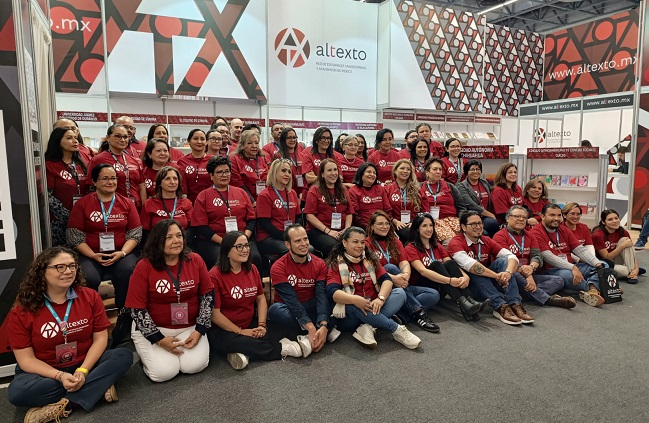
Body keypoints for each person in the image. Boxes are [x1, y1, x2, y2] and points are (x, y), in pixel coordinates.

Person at [7, 247, 132, 421]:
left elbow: (100, 338)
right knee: (18, 392)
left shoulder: (90, 296)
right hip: (46, 371)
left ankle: (66, 404)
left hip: (85, 363)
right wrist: (60, 376)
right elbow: (26, 360)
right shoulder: (23, 308)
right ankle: (96, 388)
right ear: (42, 272)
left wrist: (83, 370)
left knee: (123, 356)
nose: (68, 271)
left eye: (72, 266)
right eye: (60, 267)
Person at [126, 220, 214, 382]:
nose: (176, 241)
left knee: (194, 366)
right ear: (157, 241)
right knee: (163, 374)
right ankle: (148, 353)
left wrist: (199, 330)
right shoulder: (144, 266)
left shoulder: (195, 260)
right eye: (169, 237)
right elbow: (137, 309)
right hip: (155, 328)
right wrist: (159, 340)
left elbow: (207, 297)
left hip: (189, 327)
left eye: (179, 235)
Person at [208, 231, 311, 370]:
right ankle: (282, 349)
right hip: (225, 329)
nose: (245, 250)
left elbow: (260, 298)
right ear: (226, 251)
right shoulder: (214, 275)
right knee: (231, 341)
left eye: (246, 245)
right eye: (239, 247)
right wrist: (240, 331)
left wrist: (261, 325)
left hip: (249, 322)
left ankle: (244, 353)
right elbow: (215, 314)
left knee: (282, 328)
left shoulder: (252, 269)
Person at [326, 227, 421, 349]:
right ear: (344, 243)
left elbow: (387, 280)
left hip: (373, 305)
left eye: (362, 242)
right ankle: (396, 329)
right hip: (351, 314)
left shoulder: (370, 260)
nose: (360, 246)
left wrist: (380, 298)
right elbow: (333, 292)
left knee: (400, 293)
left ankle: (368, 326)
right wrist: (355, 300)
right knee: (352, 304)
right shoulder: (336, 264)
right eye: (355, 242)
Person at [67, 164, 141, 312]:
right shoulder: (82, 204)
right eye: (105, 178)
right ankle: (91, 314)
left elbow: (135, 233)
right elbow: (74, 236)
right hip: (90, 254)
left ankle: (125, 315)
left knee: (128, 273)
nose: (110, 182)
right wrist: (93, 255)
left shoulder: (127, 203)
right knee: (88, 277)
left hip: (121, 253)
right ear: (94, 181)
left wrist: (122, 253)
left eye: (113, 178)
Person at [447, 211, 532, 325]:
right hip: (469, 287)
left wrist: (507, 273)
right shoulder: (455, 243)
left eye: (480, 223)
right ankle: (500, 306)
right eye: (473, 224)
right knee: (476, 270)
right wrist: (497, 276)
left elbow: (512, 257)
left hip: (488, 283)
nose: (478, 227)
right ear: (463, 227)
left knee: (503, 261)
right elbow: (472, 267)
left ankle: (515, 303)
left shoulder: (486, 240)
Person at [405, 213, 489, 322]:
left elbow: (451, 264)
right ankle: (465, 305)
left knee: (450, 263)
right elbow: (423, 271)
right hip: (425, 286)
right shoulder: (410, 248)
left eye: (431, 225)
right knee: (436, 264)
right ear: (417, 229)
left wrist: (465, 276)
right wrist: (449, 281)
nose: (429, 229)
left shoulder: (437, 245)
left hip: (442, 286)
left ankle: (469, 302)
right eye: (424, 226)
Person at [366, 211, 440, 332]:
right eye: (380, 224)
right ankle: (419, 313)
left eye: (387, 223)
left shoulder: (395, 241)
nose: (385, 226)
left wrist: (405, 275)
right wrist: (394, 278)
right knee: (390, 267)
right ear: (372, 226)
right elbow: (371, 270)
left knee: (433, 294)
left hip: (399, 285)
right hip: (380, 286)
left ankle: (401, 314)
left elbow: (404, 262)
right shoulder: (366, 243)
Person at [268, 225, 338, 352]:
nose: (304, 244)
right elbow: (292, 301)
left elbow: (321, 295)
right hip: (291, 308)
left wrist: (323, 323)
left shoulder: (319, 263)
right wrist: (310, 326)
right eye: (297, 241)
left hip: (312, 303)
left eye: (305, 239)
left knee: (334, 299)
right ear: (288, 245)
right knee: (275, 310)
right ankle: (317, 330)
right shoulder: (278, 267)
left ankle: (316, 331)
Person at [493, 206, 576, 309]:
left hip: (529, 272)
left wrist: (531, 267)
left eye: (524, 217)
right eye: (517, 216)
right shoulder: (500, 236)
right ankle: (547, 299)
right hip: (510, 275)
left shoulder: (530, 235)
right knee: (513, 271)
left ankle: (525, 294)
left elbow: (537, 256)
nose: (521, 219)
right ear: (507, 218)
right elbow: (510, 261)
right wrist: (528, 276)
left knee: (558, 280)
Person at [189, 156, 260, 269]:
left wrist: (244, 238)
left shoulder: (241, 193)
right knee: (221, 260)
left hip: (242, 239)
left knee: (255, 258)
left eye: (227, 171)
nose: (224, 175)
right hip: (215, 241)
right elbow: (201, 227)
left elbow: (251, 220)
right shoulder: (203, 196)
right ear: (211, 175)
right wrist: (224, 242)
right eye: (219, 172)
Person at [531, 204, 606, 306]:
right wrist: (572, 267)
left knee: (603, 264)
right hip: (550, 270)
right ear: (542, 216)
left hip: (571, 267)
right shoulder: (535, 232)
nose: (556, 218)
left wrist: (597, 263)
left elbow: (580, 249)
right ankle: (599, 288)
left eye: (559, 215)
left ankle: (592, 290)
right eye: (552, 215)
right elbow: (549, 257)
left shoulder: (563, 229)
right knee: (567, 275)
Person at [45, 127, 89, 246]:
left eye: (75, 138)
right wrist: (69, 217)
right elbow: (48, 196)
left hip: (83, 219)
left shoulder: (82, 164)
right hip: (60, 221)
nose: (75, 141)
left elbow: (89, 189)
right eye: (69, 138)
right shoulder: (50, 165)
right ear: (58, 142)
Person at [86, 124, 146, 210]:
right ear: (108, 138)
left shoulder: (134, 160)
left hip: (136, 207)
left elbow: (141, 186)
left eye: (125, 137)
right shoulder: (98, 159)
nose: (122, 140)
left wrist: (144, 207)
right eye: (117, 136)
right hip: (111, 208)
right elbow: (91, 186)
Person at [304, 158, 353, 258]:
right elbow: (309, 215)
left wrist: (347, 229)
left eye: (335, 170)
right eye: (329, 170)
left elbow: (349, 212)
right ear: (322, 174)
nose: (333, 173)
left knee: (355, 242)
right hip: (319, 231)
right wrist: (328, 231)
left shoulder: (342, 189)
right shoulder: (314, 190)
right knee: (334, 246)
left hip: (341, 230)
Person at [257, 159, 300, 261]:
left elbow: (298, 217)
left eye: (289, 172)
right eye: (283, 171)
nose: (287, 174)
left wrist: (295, 234)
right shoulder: (265, 195)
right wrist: (286, 236)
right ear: (274, 172)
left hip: (290, 236)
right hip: (269, 237)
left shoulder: (292, 193)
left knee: (308, 248)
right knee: (293, 250)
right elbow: (264, 223)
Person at [592, 209, 644, 284]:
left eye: (616, 218)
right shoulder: (598, 235)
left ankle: (632, 273)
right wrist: (622, 246)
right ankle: (630, 271)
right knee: (624, 271)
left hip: (617, 259)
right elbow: (607, 257)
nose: (614, 221)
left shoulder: (622, 231)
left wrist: (636, 268)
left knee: (625, 240)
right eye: (610, 219)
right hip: (604, 263)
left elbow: (631, 253)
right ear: (603, 222)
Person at [420, 157, 464, 244]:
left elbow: (461, 206)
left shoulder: (449, 186)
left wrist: (462, 220)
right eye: (435, 169)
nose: (438, 172)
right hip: (434, 221)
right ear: (427, 172)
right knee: (452, 242)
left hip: (453, 220)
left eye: (440, 169)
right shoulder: (420, 187)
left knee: (469, 237)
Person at [140, 166, 193, 233]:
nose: (172, 182)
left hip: (181, 238)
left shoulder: (186, 202)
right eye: (167, 179)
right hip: (157, 239)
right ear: (159, 183)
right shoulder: (149, 203)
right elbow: (145, 231)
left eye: (175, 178)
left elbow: (192, 229)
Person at [385, 159, 427, 242]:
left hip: (414, 222)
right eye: (402, 168)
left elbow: (424, 208)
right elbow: (385, 209)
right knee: (407, 233)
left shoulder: (417, 189)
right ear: (395, 171)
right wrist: (394, 221)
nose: (405, 171)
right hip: (396, 223)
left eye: (408, 169)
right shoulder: (387, 189)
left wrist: (416, 222)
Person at [457, 160, 499, 236]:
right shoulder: (461, 186)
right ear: (466, 172)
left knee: (493, 224)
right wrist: (491, 215)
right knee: (484, 233)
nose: (475, 172)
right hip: (471, 217)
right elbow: (471, 205)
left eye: (478, 169)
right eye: (472, 169)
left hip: (485, 217)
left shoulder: (484, 183)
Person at [229, 129, 269, 203]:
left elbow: (269, 180)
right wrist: (252, 201)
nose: (254, 146)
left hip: (264, 197)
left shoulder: (263, 158)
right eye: (249, 143)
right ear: (242, 145)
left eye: (256, 143)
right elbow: (238, 183)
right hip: (243, 199)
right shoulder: (234, 159)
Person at [348, 163, 391, 229]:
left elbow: (387, 210)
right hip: (363, 227)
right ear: (361, 173)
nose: (372, 174)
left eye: (374, 173)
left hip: (382, 226)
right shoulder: (353, 191)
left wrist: (386, 224)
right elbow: (355, 215)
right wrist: (369, 227)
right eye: (369, 172)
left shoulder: (380, 189)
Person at [177, 129, 212, 203]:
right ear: (189, 141)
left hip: (209, 202)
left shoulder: (213, 160)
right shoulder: (182, 161)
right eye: (195, 138)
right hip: (188, 203)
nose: (199, 142)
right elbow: (181, 186)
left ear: (206, 142)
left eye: (202, 139)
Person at [274, 127, 306, 200]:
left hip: (302, 194)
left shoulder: (302, 155)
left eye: (294, 137)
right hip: (287, 193)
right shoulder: (278, 156)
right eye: (289, 138)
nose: (293, 140)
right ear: (283, 140)